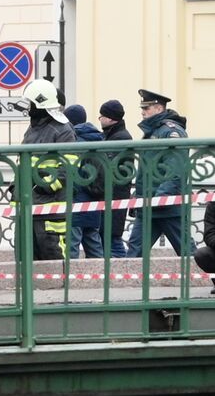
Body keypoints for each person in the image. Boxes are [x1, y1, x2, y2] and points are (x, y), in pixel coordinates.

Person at [18, 78, 78, 261]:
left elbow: (68, 169)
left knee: (55, 265)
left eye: (30, 103)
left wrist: (38, 185)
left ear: (40, 104)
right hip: (29, 208)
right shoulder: (33, 129)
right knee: (28, 266)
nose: (27, 108)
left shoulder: (63, 130)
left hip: (51, 210)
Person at [126, 88, 190, 257]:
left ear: (159, 109)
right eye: (142, 108)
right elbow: (146, 172)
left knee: (187, 251)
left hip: (166, 206)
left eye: (146, 108)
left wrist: (158, 198)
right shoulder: (152, 132)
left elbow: (176, 172)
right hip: (148, 205)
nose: (142, 112)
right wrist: (138, 197)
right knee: (134, 251)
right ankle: (121, 284)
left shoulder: (171, 132)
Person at [64, 105, 107, 259]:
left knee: (72, 249)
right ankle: (102, 279)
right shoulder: (98, 141)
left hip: (77, 203)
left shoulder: (73, 142)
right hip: (94, 204)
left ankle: (70, 281)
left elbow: (72, 175)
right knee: (95, 247)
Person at [93, 100, 134, 259]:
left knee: (112, 238)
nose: (100, 119)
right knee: (109, 237)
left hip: (114, 197)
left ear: (110, 118)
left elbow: (106, 168)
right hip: (112, 197)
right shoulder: (113, 135)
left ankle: (123, 272)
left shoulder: (119, 138)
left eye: (102, 116)